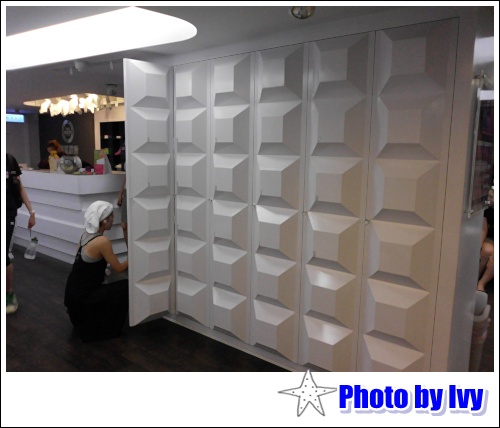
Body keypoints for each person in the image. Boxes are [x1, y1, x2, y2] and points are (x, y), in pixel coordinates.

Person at [64, 201, 129, 342]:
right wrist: (133, 256)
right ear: (104, 220)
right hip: (82, 300)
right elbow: (118, 268)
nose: (113, 219)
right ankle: (109, 327)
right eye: (111, 217)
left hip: (72, 297)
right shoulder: (102, 241)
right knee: (125, 287)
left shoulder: (84, 235)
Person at [6, 153, 36, 314]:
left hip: (8, 214)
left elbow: (20, 187)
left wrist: (32, 212)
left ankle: (8, 293)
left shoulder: (9, 160)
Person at [477, 187, 494, 292]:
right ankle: (474, 278)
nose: (490, 199)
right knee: (486, 250)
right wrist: (478, 247)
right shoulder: (487, 210)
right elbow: (484, 229)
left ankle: (481, 283)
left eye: (492, 197)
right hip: (491, 238)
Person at [117, 173, 128, 248]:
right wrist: (121, 193)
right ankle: (129, 251)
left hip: (137, 190)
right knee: (124, 225)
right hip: (126, 191)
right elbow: (127, 176)